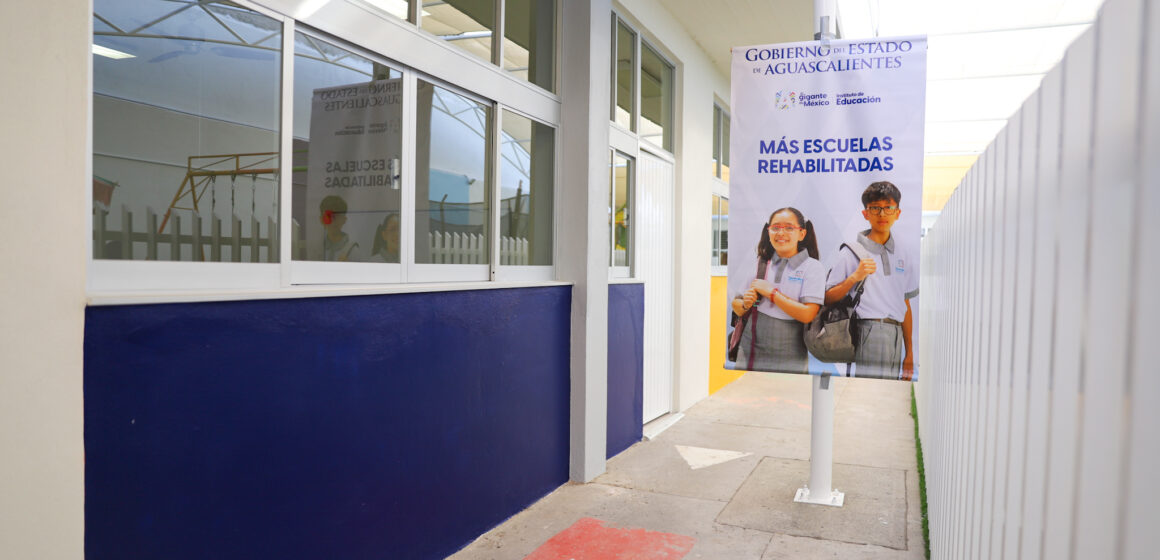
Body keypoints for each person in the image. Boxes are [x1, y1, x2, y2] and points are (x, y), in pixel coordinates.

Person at [824, 181, 919, 380]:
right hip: (868, 331)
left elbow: (905, 304)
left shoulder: (903, 254)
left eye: (888, 208)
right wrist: (853, 278)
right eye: (875, 208)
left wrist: (909, 352)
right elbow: (827, 297)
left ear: (897, 213)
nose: (882, 214)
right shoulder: (851, 252)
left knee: (888, 397)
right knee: (867, 397)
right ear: (866, 214)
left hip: (896, 334)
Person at [731, 207, 825, 373]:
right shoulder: (759, 263)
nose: (781, 233)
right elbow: (736, 305)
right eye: (775, 228)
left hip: (791, 349)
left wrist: (772, 293)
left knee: (787, 396)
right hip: (750, 346)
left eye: (789, 228)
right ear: (768, 231)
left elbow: (807, 314)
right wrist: (745, 303)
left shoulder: (813, 267)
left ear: (802, 234)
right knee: (748, 394)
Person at [320, 195, 358, 262]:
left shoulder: (353, 251)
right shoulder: (317, 248)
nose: (333, 221)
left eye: (337, 216)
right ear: (321, 220)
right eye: (328, 216)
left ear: (344, 219)